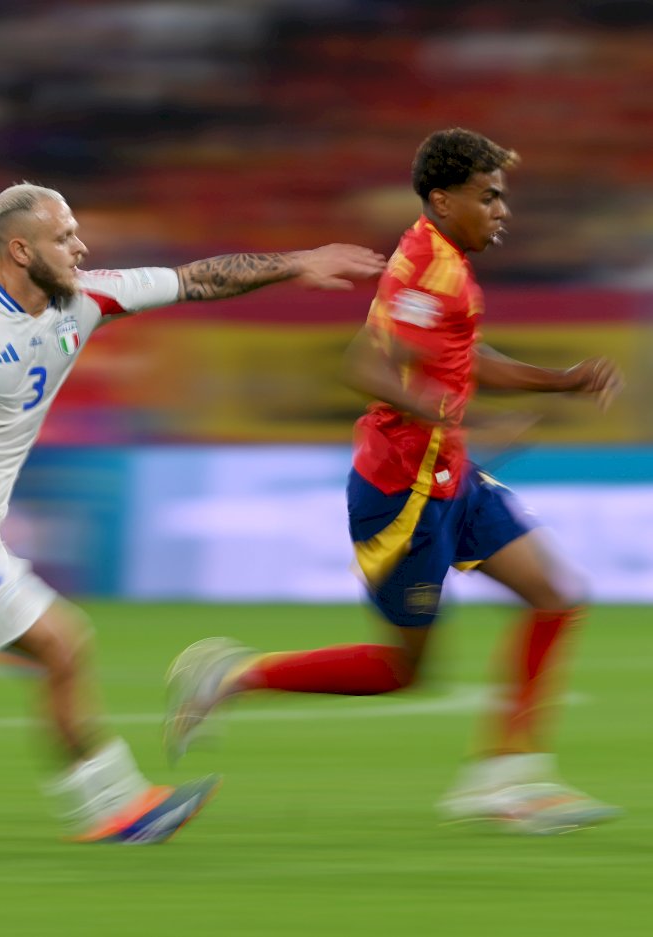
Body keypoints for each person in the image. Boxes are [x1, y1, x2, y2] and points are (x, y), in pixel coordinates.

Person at [163, 128, 625, 835]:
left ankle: (507, 779)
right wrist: (453, 412)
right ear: (442, 200)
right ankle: (234, 675)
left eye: (502, 197)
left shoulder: (444, 263)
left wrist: (560, 381)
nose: (502, 211)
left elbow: (462, 356)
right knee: (403, 671)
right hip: (403, 495)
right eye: (488, 197)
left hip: (449, 473)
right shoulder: (427, 268)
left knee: (557, 595)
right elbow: (362, 364)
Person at [0, 182, 387, 844]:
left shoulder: (84, 300)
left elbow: (196, 280)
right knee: (61, 644)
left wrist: (298, 262)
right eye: (63, 238)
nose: (80, 247)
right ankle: (114, 807)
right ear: (19, 250)